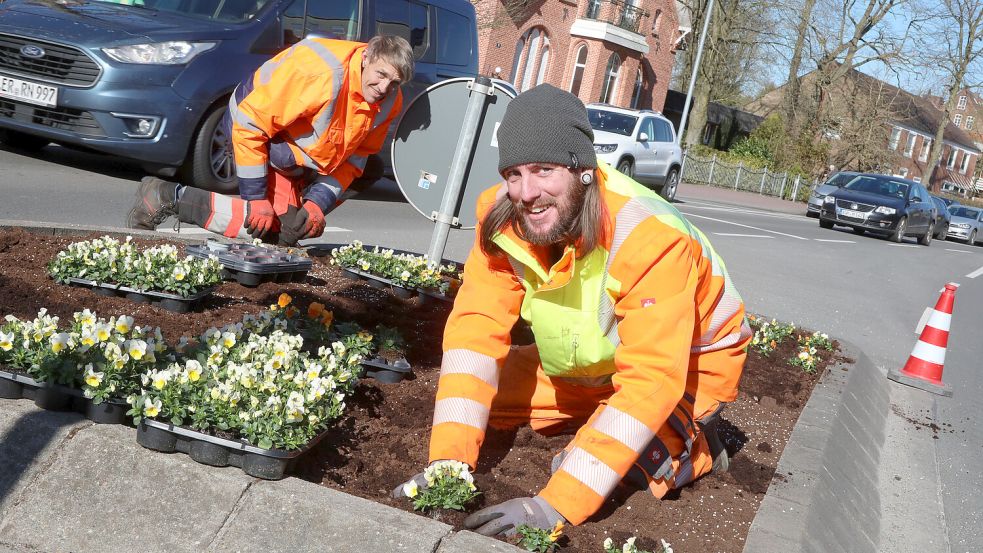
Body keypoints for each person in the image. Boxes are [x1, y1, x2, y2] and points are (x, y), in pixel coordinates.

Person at [393, 84, 752, 535]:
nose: (527, 192)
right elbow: (475, 330)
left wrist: (556, 504)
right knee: (482, 401)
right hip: (589, 368)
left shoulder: (648, 236)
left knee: (615, 467)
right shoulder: (501, 219)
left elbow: (653, 377)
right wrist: (449, 459)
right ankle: (600, 423)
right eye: (514, 174)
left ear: (583, 170)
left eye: (544, 170)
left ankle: (693, 441)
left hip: (691, 369)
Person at [126, 34, 414, 245]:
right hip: (255, 131)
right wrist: (257, 199)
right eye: (381, 75)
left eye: (395, 82)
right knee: (269, 227)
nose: (384, 87)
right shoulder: (321, 76)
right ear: (366, 57)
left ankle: (289, 216)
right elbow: (251, 124)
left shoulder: (390, 101)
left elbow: (355, 158)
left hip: (299, 153)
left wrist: (317, 203)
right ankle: (165, 197)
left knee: (295, 227)